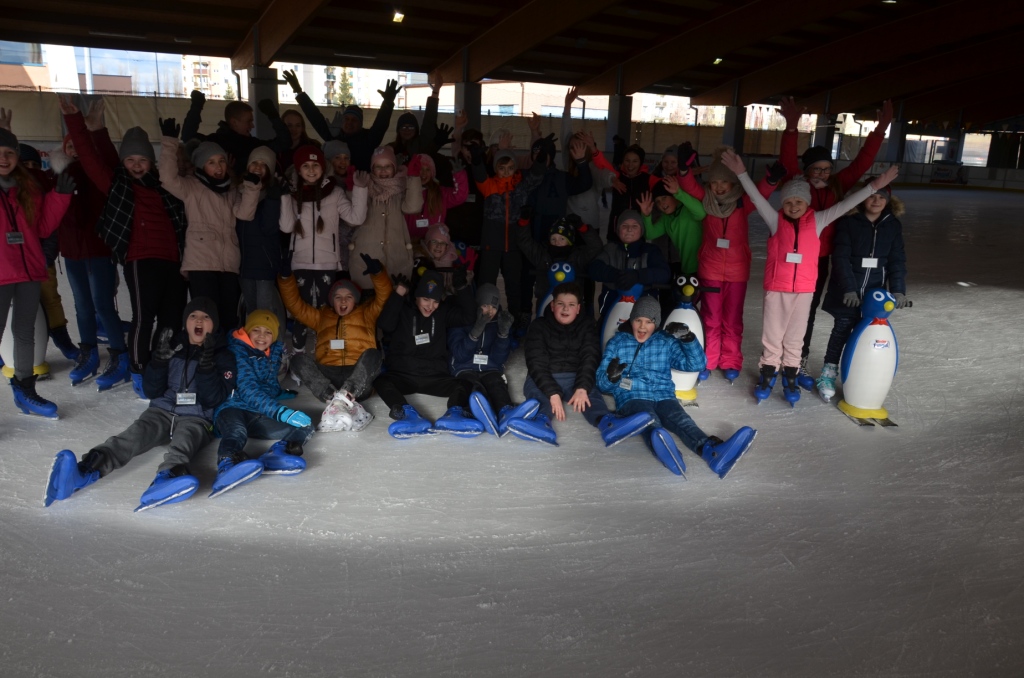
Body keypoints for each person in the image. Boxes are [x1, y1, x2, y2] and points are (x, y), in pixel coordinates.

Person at [720, 149, 898, 403]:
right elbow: (757, 199)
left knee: (795, 336)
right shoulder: (775, 220)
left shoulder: (817, 220)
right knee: (772, 335)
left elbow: (846, 203)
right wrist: (741, 173)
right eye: (789, 201)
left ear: (807, 203)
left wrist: (875, 186)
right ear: (783, 204)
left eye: (799, 202)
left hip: (804, 291)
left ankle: (790, 376)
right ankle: (768, 373)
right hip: (777, 289)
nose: (793, 206)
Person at [44, 298, 236, 511]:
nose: (199, 320)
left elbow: (214, 399)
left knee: (184, 442)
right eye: (193, 316)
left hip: (197, 417)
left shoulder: (223, 356)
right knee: (132, 436)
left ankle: (168, 476)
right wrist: (159, 362)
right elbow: (151, 390)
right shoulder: (173, 346)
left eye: (206, 317)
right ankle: (86, 470)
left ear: (214, 325)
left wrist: (207, 365)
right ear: (186, 322)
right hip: (160, 411)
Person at [59, 97, 188, 398]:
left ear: (151, 162)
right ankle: (139, 369)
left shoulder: (165, 187)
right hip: (141, 260)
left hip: (172, 261)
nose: (136, 165)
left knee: (171, 320)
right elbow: (93, 159)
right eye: (130, 160)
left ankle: (162, 364)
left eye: (142, 160)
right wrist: (78, 124)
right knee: (144, 319)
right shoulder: (119, 186)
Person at [779, 98, 894, 386]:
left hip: (820, 259)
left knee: (807, 310)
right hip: (792, 254)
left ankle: (797, 359)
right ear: (806, 170)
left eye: (826, 169)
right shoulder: (798, 183)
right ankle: (776, 356)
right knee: (784, 307)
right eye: (816, 169)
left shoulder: (838, 185)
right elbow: (788, 159)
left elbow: (862, 163)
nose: (821, 174)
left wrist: (880, 129)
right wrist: (791, 127)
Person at [596, 296, 757, 478]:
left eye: (649, 322)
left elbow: (696, 364)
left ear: (656, 324)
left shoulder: (665, 341)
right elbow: (602, 383)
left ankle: (711, 451)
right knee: (650, 422)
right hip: (632, 395)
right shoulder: (617, 343)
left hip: (664, 395)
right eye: (638, 320)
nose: (642, 327)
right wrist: (612, 376)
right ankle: (667, 452)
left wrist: (688, 340)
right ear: (631, 320)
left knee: (682, 420)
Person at [676, 146, 780, 381]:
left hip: (737, 271)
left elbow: (759, 193)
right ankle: (709, 359)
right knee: (711, 317)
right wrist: (684, 170)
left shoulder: (743, 204)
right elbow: (689, 186)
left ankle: (731, 360)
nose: (720, 187)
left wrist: (771, 180)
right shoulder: (706, 201)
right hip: (710, 269)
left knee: (732, 319)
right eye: (715, 183)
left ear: (734, 184)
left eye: (725, 182)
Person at [515, 282, 654, 447]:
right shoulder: (538, 326)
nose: (566, 309)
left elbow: (590, 357)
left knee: (591, 396)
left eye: (571, 305)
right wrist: (552, 393)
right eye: (561, 304)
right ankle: (540, 422)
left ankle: (608, 424)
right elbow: (535, 362)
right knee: (540, 398)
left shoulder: (587, 325)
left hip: (576, 375)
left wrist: (582, 387)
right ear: (552, 306)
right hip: (545, 375)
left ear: (578, 308)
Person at [49, 100, 128, 388]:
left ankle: (120, 356)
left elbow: (108, 163)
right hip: (72, 254)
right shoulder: (56, 176)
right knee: (82, 307)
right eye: (69, 147)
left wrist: (95, 130)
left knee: (102, 305)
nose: (74, 151)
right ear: (63, 149)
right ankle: (90, 354)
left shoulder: (97, 174)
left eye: (77, 147)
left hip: (97, 250)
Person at [159, 119, 260, 332]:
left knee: (228, 317)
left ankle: (225, 359)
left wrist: (252, 187)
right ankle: (206, 358)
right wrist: (169, 142)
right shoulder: (191, 187)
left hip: (229, 263)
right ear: (201, 165)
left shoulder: (231, 191)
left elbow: (245, 213)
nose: (218, 166)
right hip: (201, 263)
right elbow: (167, 179)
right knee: (206, 317)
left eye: (221, 161)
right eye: (212, 162)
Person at [0, 127, 73, 417]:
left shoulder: (28, 187)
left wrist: (60, 197)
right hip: (2, 273)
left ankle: (25, 390)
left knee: (24, 333)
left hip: (29, 271)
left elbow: (42, 227)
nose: (4, 159)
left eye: (9, 153)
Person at [278, 253, 390, 432]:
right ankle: (333, 397)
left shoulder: (367, 313)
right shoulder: (322, 316)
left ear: (356, 300)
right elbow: (295, 306)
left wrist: (378, 274)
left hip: (358, 376)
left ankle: (343, 398)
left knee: (374, 354)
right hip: (327, 377)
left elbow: (384, 295)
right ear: (332, 301)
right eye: (338, 297)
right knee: (298, 360)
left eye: (349, 296)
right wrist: (285, 279)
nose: (343, 300)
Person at [817, 181, 908, 400]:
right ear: (862, 198)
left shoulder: (892, 224)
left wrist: (898, 290)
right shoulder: (849, 222)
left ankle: (861, 375)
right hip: (846, 291)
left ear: (888, 201)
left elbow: (897, 260)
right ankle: (828, 372)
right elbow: (840, 257)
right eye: (872, 196)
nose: (876, 201)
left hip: (874, 294)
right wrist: (849, 289)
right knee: (841, 330)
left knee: (868, 334)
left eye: (882, 197)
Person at [209, 310, 314, 498]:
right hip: (232, 408)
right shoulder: (237, 351)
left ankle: (279, 453)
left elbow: (268, 382)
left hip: (257, 413)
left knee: (306, 425)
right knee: (237, 432)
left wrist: (279, 393)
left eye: (268, 332)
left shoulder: (272, 352)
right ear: (247, 331)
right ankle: (227, 465)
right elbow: (248, 389)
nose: (261, 336)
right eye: (256, 330)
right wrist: (281, 411)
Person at [279, 144, 368, 350]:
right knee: (302, 312)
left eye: (315, 165)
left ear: (323, 167)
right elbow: (286, 227)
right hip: (299, 262)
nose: (311, 170)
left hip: (327, 262)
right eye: (306, 166)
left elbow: (356, 218)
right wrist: (284, 197)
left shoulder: (334, 192)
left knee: (328, 311)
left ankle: (328, 354)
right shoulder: (292, 194)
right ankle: (298, 356)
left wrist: (360, 189)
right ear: (298, 170)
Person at [374, 270, 482, 438]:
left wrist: (462, 287)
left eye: (435, 301)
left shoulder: (443, 312)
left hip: (434, 375)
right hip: (404, 373)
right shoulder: (403, 309)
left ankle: (454, 413)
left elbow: (469, 317)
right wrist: (398, 294)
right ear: (416, 296)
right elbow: (385, 324)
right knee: (381, 381)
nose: (430, 306)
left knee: (464, 384)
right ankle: (406, 413)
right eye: (425, 299)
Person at [447, 283, 540, 436]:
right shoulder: (461, 319)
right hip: (464, 366)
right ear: (477, 305)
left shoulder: (498, 322)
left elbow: (498, 359)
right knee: (468, 385)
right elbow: (460, 354)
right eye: (485, 305)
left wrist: (503, 334)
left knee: (496, 383)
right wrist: (476, 330)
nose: (490, 311)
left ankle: (505, 412)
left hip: (489, 367)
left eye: (494, 307)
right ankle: (461, 411)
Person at [472, 147, 543, 321]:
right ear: (496, 168)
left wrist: (541, 158)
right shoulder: (489, 186)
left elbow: (536, 175)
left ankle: (514, 321)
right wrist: (476, 160)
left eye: (510, 168)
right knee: (487, 285)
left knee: (514, 286)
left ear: (515, 168)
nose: (506, 172)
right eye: (502, 168)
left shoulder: (521, 187)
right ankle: (483, 321)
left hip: (513, 246)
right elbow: (479, 175)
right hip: (491, 245)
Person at [282, 70, 400, 172]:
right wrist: (299, 92)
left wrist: (388, 103)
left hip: (361, 188)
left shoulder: (368, 139)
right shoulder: (334, 136)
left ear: (360, 124)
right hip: (335, 188)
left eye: (354, 120)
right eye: (346, 119)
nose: (349, 122)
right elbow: (315, 117)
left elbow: (381, 124)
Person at [349, 146, 422, 290]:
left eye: (387, 166)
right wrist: (356, 188)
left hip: (397, 258)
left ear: (394, 168)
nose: (383, 171)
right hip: (365, 260)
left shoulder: (402, 187)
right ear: (372, 169)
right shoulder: (365, 186)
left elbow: (413, 207)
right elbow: (351, 219)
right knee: (368, 306)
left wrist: (413, 178)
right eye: (378, 167)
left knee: (395, 304)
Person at [638, 174, 706, 321]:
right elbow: (650, 233)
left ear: (674, 196)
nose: (661, 203)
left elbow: (701, 212)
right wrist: (646, 215)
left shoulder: (687, 209)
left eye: (664, 197)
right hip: (688, 269)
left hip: (704, 267)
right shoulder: (667, 218)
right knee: (685, 305)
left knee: (697, 306)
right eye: (657, 201)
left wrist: (678, 193)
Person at [180, 91, 292, 178]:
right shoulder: (215, 143)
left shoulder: (252, 145)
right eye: (249, 121)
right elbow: (188, 138)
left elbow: (284, 143)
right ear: (234, 122)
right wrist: (196, 106)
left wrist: (273, 115)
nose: (252, 126)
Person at [588, 210, 672, 314]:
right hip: (612, 310)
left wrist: (638, 276)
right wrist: (617, 276)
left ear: (641, 231)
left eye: (635, 226)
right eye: (624, 225)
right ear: (618, 230)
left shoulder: (651, 250)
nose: (629, 229)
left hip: (644, 313)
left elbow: (664, 273)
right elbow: (594, 269)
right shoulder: (610, 249)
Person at [516, 214, 602, 313]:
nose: (557, 242)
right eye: (553, 239)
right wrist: (524, 222)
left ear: (570, 241)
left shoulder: (578, 257)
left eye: (562, 239)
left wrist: (582, 228)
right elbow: (525, 242)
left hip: (572, 304)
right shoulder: (542, 255)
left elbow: (596, 247)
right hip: (545, 301)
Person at [403, 153, 468, 243]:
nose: (423, 173)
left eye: (428, 170)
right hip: (408, 242)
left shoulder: (440, 193)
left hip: (433, 244)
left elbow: (459, 195)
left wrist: (459, 175)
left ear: (432, 173)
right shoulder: (405, 191)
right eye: (420, 169)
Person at [411, 222, 477, 297]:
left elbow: (455, 290)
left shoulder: (450, 262)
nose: (438, 246)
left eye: (442, 243)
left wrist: (467, 272)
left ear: (447, 247)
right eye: (434, 241)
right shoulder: (419, 261)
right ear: (427, 243)